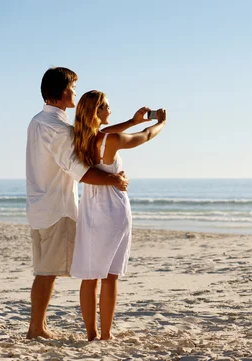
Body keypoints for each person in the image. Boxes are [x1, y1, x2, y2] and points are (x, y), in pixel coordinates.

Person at [26, 67, 130, 339]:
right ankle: (36, 328)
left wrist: (130, 122)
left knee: (43, 270)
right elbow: (80, 171)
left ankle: (39, 325)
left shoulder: (38, 122)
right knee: (47, 272)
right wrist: (114, 180)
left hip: (38, 206)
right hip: (56, 208)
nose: (74, 92)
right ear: (63, 93)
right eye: (72, 88)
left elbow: (95, 133)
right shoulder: (59, 130)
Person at [70, 90, 166, 341]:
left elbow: (108, 130)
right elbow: (144, 137)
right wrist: (160, 124)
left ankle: (91, 334)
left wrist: (134, 120)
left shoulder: (82, 139)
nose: (111, 111)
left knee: (90, 276)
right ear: (97, 111)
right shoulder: (110, 141)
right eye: (107, 107)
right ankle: (106, 334)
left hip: (91, 211)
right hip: (113, 212)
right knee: (110, 276)